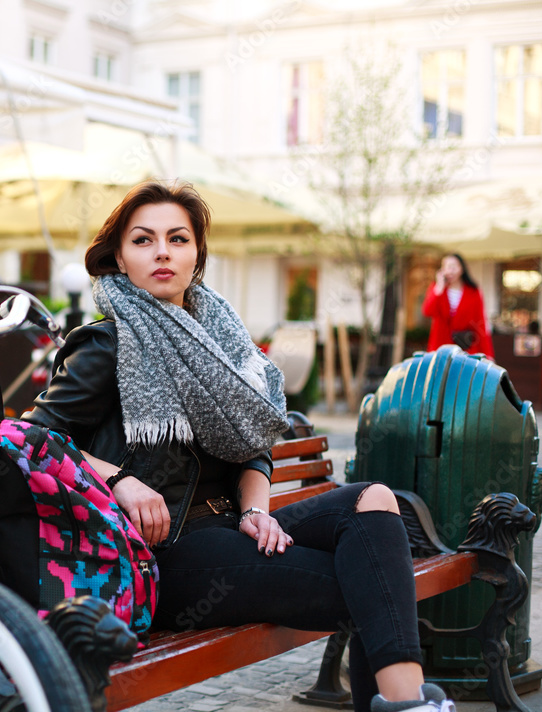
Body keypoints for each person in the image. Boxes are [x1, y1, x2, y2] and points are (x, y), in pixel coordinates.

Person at [24, 180, 457, 712]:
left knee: (373, 501)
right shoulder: (104, 343)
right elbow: (32, 438)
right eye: (143, 240)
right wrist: (120, 480)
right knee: (372, 586)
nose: (162, 251)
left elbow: (253, 447)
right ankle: (408, 703)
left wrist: (257, 511)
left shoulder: (220, 337)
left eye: (178, 239)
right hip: (165, 551)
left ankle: (403, 704)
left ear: (197, 253)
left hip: (232, 527)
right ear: (118, 256)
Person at [421, 253, 494, 359]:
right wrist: (439, 289)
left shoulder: (473, 292)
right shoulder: (437, 289)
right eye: (446, 267)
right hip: (440, 347)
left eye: (453, 267)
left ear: (462, 269)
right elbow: (427, 311)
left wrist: (488, 354)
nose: (450, 271)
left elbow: (481, 322)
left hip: (466, 349)